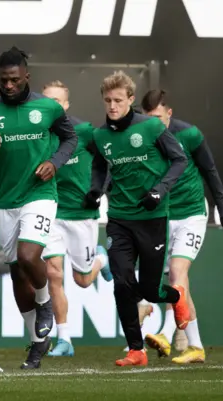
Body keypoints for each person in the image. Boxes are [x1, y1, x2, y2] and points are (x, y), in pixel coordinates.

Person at [0, 47, 77, 369]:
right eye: (4, 80)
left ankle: (45, 304)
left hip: (40, 194)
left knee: (30, 256)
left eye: (15, 80)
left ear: (27, 77)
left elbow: (70, 140)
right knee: (17, 272)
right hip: (5, 201)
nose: (9, 86)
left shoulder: (47, 107)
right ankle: (36, 342)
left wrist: (54, 163)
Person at [86, 71, 191, 367]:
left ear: (131, 100)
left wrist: (159, 190)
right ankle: (136, 349)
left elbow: (179, 160)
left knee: (149, 290)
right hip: (119, 218)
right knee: (121, 282)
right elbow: (98, 166)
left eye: (118, 100)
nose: (112, 105)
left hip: (153, 217)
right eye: (107, 100)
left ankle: (175, 295)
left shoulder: (151, 128)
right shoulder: (100, 135)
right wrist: (96, 189)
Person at [140, 89, 223, 364]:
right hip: (163, 217)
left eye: (158, 118)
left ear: (169, 114)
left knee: (177, 274)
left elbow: (210, 171)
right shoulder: (139, 138)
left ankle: (166, 334)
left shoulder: (189, 135)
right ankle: (196, 346)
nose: (153, 124)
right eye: (148, 119)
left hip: (192, 213)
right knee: (179, 283)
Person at [40, 80, 113, 357]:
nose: (52, 106)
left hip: (82, 215)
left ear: (66, 105)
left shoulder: (83, 131)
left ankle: (101, 258)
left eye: (58, 101)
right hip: (50, 212)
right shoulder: (37, 134)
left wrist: (98, 191)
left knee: (83, 280)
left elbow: (106, 161)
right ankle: (64, 339)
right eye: (47, 100)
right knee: (53, 274)